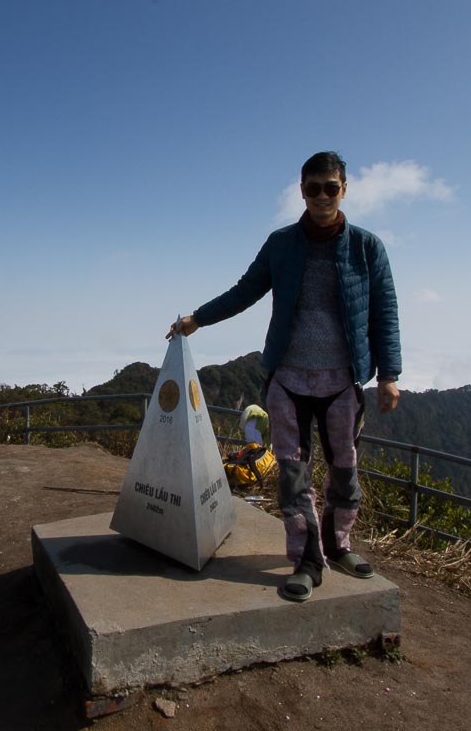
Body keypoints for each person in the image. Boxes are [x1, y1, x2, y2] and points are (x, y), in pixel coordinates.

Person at [167, 151, 401, 602]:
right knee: (293, 474)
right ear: (301, 191)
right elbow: (245, 291)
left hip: (342, 382)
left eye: (330, 188)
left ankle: (339, 545)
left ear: (344, 190)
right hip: (289, 380)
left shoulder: (367, 247)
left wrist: (388, 374)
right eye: (312, 188)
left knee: (344, 471)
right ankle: (307, 561)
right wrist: (197, 319)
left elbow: (384, 312)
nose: (321, 197)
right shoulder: (282, 243)